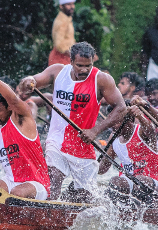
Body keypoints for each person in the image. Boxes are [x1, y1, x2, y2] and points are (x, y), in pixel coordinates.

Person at [18, 41, 126, 201]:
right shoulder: (57, 71)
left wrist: (95, 130)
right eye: (79, 65)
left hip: (83, 145)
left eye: (88, 66)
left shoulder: (101, 79)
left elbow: (121, 108)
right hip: (57, 140)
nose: (84, 70)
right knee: (53, 180)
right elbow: (33, 79)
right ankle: (47, 218)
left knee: (84, 197)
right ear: (71, 61)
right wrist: (27, 82)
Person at [0, 65, 50, 200]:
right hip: (10, 181)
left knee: (17, 193)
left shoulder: (21, 119)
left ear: (9, 107)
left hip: (36, 184)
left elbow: (15, 100)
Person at [99, 102, 158, 199]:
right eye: (111, 120)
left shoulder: (141, 131)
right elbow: (102, 169)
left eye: (116, 121)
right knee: (115, 181)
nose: (112, 125)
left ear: (129, 119)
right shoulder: (113, 138)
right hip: (126, 186)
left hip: (153, 184)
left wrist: (140, 116)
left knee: (138, 180)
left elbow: (150, 129)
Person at [50, 0, 77, 66]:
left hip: (67, 57)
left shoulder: (67, 19)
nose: (72, 7)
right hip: (60, 58)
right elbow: (59, 45)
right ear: (61, 6)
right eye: (68, 4)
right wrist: (76, 55)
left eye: (72, 4)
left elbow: (69, 40)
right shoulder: (61, 21)